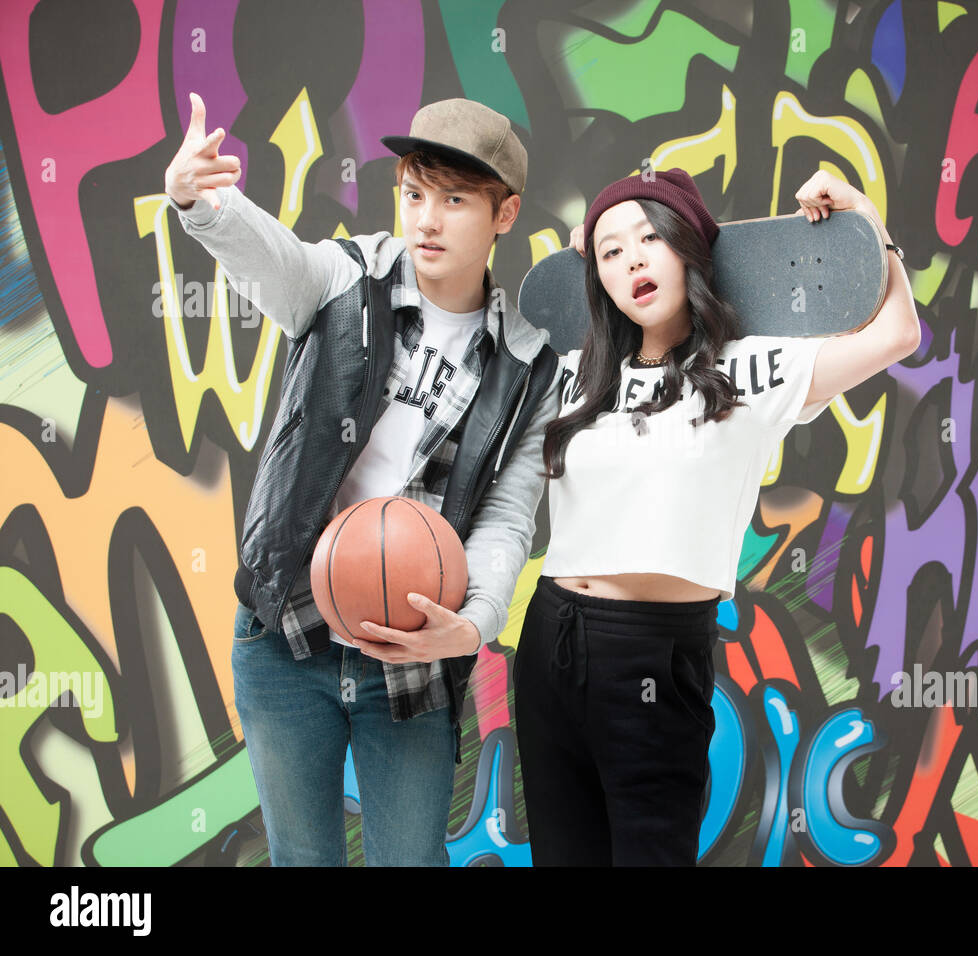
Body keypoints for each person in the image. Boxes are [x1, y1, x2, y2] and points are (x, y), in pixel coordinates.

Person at [163, 94, 559, 865]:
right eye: (415, 193)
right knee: (303, 860)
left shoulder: (528, 364)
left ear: (504, 213)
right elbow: (271, 256)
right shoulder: (345, 281)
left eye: (454, 200)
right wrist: (200, 200)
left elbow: (508, 517)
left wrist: (471, 624)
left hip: (411, 661)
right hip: (284, 638)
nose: (427, 221)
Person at [513, 167, 922, 866]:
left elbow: (898, 334)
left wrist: (865, 219)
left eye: (650, 237)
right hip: (550, 642)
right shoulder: (575, 371)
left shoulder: (755, 368)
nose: (633, 258)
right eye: (611, 251)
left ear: (689, 247)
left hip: (653, 650)